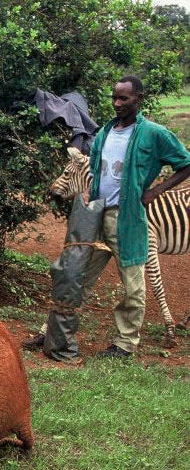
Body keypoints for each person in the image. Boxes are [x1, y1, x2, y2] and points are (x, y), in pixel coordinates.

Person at [26, 75, 189, 359]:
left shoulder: (154, 133)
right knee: (77, 277)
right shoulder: (104, 133)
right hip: (98, 216)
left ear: (138, 98)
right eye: (114, 97)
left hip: (129, 220)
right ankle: (52, 332)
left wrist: (156, 191)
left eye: (123, 98)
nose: (117, 103)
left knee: (133, 285)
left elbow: (185, 164)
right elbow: (100, 173)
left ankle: (125, 344)